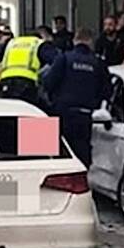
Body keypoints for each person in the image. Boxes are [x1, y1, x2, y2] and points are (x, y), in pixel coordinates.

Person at [43, 28, 110, 168]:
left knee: (57, 154)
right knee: (81, 155)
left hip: (61, 113)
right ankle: (79, 184)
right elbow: (106, 91)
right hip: (84, 116)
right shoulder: (98, 63)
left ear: (75, 41)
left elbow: (48, 82)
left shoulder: (64, 58)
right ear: (91, 42)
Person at [0, 33, 58, 107]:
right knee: (32, 112)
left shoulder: (11, 44)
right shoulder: (38, 43)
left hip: (6, 83)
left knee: (9, 110)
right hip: (27, 84)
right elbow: (57, 61)